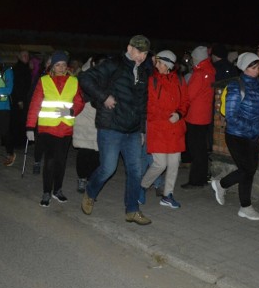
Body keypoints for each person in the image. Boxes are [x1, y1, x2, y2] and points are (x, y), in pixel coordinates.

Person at [78, 35, 152, 225]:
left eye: (145, 53)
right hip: (111, 127)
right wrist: (103, 97)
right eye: (139, 52)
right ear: (129, 48)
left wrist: (142, 130)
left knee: (136, 171)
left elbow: (143, 103)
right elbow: (85, 78)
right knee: (108, 168)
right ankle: (90, 192)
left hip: (133, 130)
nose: (141, 57)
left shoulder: (143, 72)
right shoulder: (114, 65)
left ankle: (132, 210)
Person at [211, 52, 259, 220]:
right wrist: (251, 128)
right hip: (236, 135)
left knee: (250, 169)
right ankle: (243, 203)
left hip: (252, 135)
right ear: (244, 68)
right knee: (247, 169)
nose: (257, 70)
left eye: (258, 67)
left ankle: (234, 197)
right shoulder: (236, 86)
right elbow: (231, 115)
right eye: (253, 67)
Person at [25, 50, 84, 206]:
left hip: (65, 129)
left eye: (64, 64)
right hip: (48, 128)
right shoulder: (43, 81)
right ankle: (46, 192)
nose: (61, 67)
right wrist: (30, 126)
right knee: (50, 161)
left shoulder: (74, 81)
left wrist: (70, 111)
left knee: (61, 162)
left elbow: (79, 103)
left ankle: (57, 190)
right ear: (52, 66)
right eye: (58, 64)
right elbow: (35, 104)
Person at [140, 50, 188, 209]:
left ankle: (168, 195)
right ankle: (142, 187)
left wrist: (179, 114)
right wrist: (167, 115)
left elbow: (185, 101)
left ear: (167, 65)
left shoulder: (180, 80)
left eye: (160, 62)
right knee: (160, 164)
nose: (157, 65)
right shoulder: (152, 80)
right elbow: (149, 105)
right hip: (159, 128)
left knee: (174, 163)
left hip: (175, 128)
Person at [181, 45, 216, 188]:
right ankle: (201, 178)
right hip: (204, 115)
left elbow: (190, 94)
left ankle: (196, 181)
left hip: (195, 116)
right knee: (201, 148)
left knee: (196, 149)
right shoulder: (210, 70)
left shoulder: (199, 72)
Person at [73, 54, 107, 193]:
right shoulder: (84, 76)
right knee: (85, 150)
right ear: (93, 64)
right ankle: (82, 178)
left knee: (97, 153)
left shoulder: (109, 78)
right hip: (85, 117)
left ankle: (92, 180)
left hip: (100, 118)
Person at [11, 49, 33, 149]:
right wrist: (19, 100)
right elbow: (17, 85)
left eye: (27, 55)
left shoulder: (25, 67)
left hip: (25, 97)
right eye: (24, 55)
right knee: (19, 120)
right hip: (20, 98)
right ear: (19, 57)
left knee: (23, 119)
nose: (26, 57)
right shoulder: (18, 68)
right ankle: (19, 142)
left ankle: (22, 140)